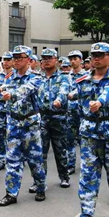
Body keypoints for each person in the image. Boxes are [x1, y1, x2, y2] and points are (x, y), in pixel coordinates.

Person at [69, 42, 109, 217]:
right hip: (88, 134)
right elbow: (78, 106)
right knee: (87, 175)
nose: (96, 58)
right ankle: (86, 215)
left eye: (101, 55)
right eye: (94, 55)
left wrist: (100, 102)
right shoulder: (82, 81)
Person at [0, 45, 47, 206]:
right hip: (13, 124)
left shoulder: (36, 77)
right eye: (15, 57)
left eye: (20, 57)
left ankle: (40, 186)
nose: (16, 60)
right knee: (12, 159)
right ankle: (11, 193)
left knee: (35, 159)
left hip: (30, 125)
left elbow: (25, 90)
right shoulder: (10, 77)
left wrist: (10, 94)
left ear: (29, 60)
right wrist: (0, 90)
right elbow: (4, 89)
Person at [38, 48, 71, 188]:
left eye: (49, 58)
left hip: (58, 118)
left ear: (56, 60)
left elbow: (64, 91)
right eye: (44, 58)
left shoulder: (64, 77)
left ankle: (64, 177)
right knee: (40, 152)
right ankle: (39, 181)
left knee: (60, 150)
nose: (46, 61)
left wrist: (59, 100)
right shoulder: (38, 78)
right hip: (42, 118)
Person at [66, 50, 86, 176]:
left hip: (82, 113)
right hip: (69, 113)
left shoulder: (86, 76)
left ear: (81, 60)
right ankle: (70, 164)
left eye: (75, 59)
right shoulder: (66, 77)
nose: (73, 61)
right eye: (71, 59)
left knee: (83, 140)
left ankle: (85, 164)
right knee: (69, 140)